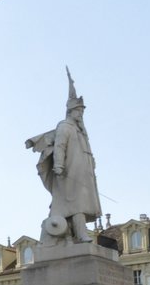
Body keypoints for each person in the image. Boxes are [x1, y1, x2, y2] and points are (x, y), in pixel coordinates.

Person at [24, 72, 100, 242]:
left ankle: (76, 233)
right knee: (76, 203)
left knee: (80, 202)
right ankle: (80, 234)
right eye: (79, 110)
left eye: (82, 111)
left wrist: (92, 164)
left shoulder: (80, 130)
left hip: (83, 173)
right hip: (69, 172)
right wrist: (58, 165)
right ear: (71, 111)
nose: (81, 113)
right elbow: (59, 146)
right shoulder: (65, 126)